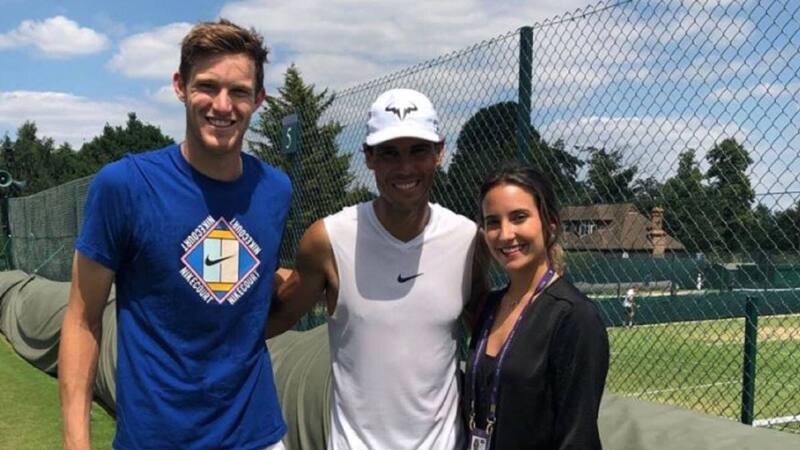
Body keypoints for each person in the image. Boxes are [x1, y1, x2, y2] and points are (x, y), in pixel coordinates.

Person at [58, 20, 291, 450]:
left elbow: (260, 283)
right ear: (180, 86)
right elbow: (81, 318)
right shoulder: (125, 186)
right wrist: (76, 442)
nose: (223, 105)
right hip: (155, 439)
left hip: (257, 437)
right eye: (207, 86)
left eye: (239, 91)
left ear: (258, 99)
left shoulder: (275, 190)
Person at [268, 88, 487, 449]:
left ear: (439, 153)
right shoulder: (328, 239)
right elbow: (271, 320)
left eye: (418, 150)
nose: (404, 168)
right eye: (389, 153)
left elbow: (490, 339)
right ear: (368, 157)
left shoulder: (466, 240)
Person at [463, 163, 609, 450]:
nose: (505, 234)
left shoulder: (574, 317)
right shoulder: (490, 307)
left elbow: (577, 437)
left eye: (519, 217)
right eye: (493, 222)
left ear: (549, 224)